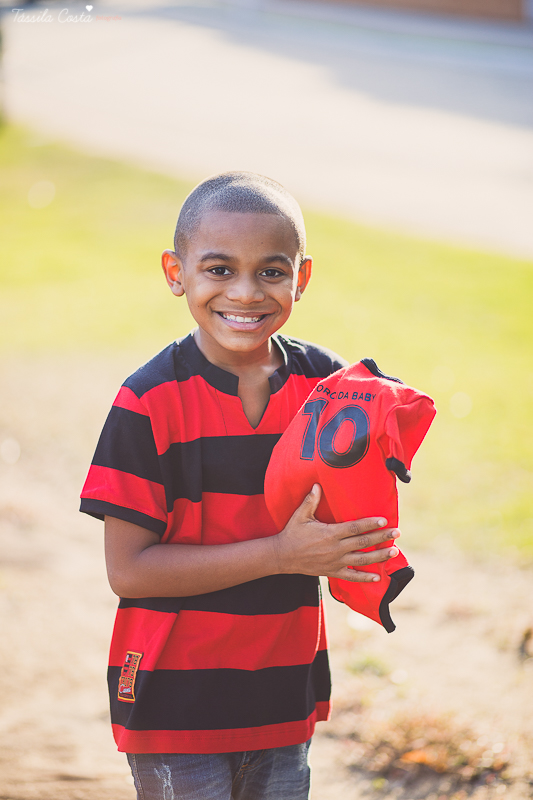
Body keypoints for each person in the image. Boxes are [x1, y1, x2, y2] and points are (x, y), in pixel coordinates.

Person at [80, 172, 400, 800]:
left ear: (302, 278)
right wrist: (281, 555)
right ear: (177, 273)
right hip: (176, 698)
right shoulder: (148, 402)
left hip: (282, 689)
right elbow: (130, 572)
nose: (247, 293)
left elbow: (353, 517)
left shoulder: (330, 388)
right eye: (219, 270)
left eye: (272, 272)